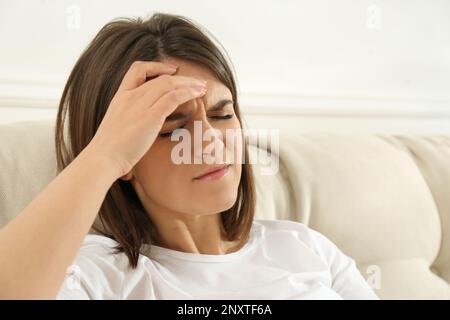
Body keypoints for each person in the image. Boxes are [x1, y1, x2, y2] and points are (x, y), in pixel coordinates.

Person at [0, 13, 379, 300]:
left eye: (222, 114)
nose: (210, 141)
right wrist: (104, 154)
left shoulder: (304, 248)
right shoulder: (96, 275)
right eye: (171, 128)